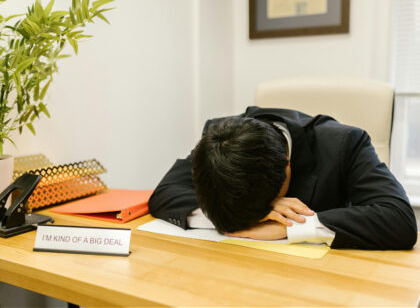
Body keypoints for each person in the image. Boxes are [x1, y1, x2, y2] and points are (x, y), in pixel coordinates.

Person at [148, 106, 418, 249]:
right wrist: (243, 218)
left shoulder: (345, 143)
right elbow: (165, 192)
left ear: (287, 168)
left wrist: (290, 227)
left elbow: (399, 220)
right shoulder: (220, 138)